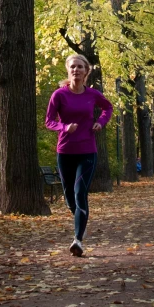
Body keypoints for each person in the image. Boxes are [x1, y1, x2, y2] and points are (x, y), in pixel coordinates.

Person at [45, 54, 113, 257]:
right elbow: (49, 121)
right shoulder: (59, 95)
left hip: (87, 151)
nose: (76, 70)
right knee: (69, 199)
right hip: (65, 151)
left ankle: (78, 240)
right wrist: (64, 127)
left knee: (79, 193)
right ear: (68, 70)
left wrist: (100, 122)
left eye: (80, 67)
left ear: (86, 71)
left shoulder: (93, 94)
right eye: (73, 67)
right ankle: (80, 221)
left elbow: (107, 108)